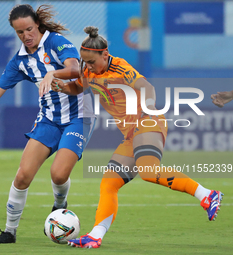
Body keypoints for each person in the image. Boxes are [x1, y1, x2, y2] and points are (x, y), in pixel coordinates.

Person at [51, 26, 224, 249]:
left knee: (149, 171)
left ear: (105, 54)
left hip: (148, 121)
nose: (88, 66)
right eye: (84, 61)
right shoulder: (89, 71)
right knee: (109, 184)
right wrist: (63, 87)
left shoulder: (120, 67)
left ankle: (207, 195)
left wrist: (149, 105)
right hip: (131, 134)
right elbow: (78, 86)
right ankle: (95, 235)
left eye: (91, 61)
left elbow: (146, 86)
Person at [0, 5, 95, 244]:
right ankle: (10, 232)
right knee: (22, 177)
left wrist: (52, 74)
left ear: (38, 26)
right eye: (20, 32)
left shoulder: (56, 42)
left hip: (78, 117)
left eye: (29, 29)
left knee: (58, 173)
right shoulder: (20, 61)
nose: (26, 36)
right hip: (49, 120)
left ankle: (59, 207)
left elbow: (75, 69)